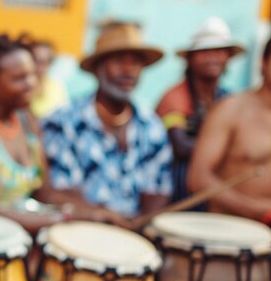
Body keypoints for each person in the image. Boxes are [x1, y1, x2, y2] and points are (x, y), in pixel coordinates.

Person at [0, 35, 117, 234]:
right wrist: (62, 219)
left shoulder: (26, 119)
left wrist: (92, 213)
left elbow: (44, 193)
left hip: (25, 238)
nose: (32, 84)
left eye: (33, 74)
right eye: (19, 78)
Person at [41, 21, 173, 226]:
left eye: (136, 62)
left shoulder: (152, 127)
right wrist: (101, 216)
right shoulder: (63, 121)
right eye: (119, 61)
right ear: (98, 68)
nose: (129, 71)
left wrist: (141, 223)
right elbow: (57, 193)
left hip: (132, 236)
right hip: (77, 230)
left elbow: (156, 193)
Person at [156, 17, 244, 203]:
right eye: (205, 52)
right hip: (175, 190)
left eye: (219, 52)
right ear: (190, 59)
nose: (213, 58)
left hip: (212, 189)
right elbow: (179, 145)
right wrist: (226, 150)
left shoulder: (228, 99)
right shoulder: (174, 98)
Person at [188, 37, 271, 223]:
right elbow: (198, 178)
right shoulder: (231, 109)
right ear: (263, 63)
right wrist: (254, 210)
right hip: (231, 236)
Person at [21, 35, 69, 118]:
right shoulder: (20, 87)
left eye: (44, 62)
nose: (39, 67)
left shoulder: (56, 89)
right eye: (36, 60)